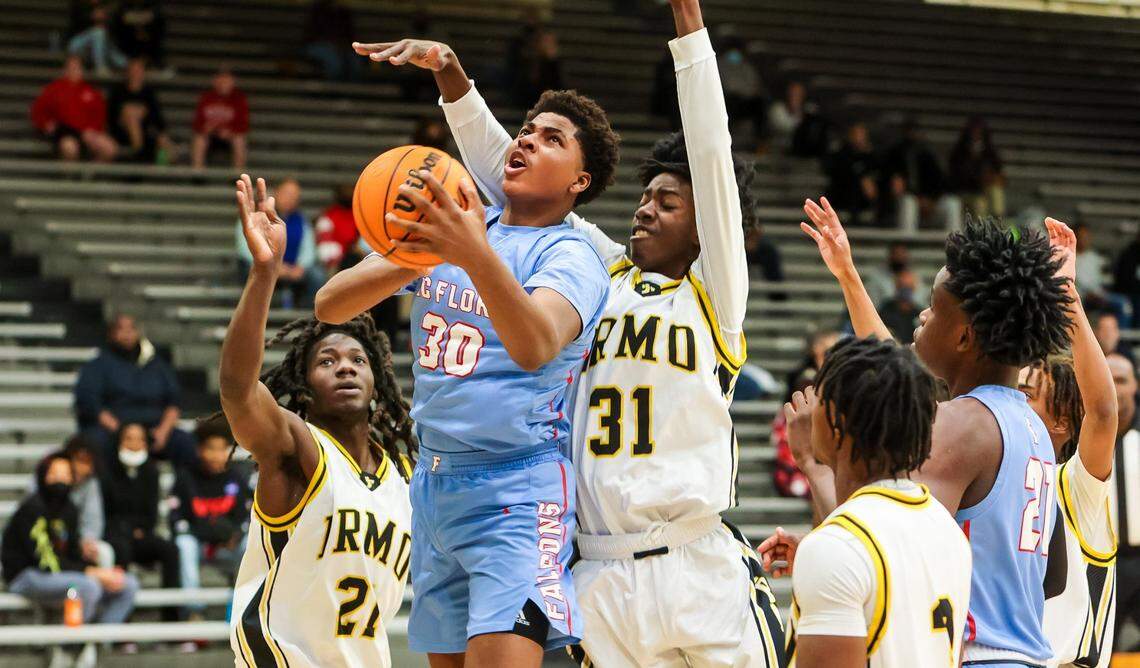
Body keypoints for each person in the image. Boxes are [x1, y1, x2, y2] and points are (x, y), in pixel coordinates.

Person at [428, 2, 786, 664]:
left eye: (668, 203)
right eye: (644, 197)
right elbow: (508, 175)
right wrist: (455, 84)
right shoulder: (594, 268)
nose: (647, 209)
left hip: (694, 558)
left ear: (704, 224)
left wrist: (690, 36)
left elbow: (711, 151)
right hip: (596, 568)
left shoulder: (713, 297)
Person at [321, 35, 618, 666]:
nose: (527, 140)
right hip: (432, 487)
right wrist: (413, 252)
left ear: (579, 181)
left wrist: (467, 248)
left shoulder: (573, 256)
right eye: (527, 130)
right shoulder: (459, 227)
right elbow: (330, 305)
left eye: (552, 139)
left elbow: (536, 343)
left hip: (517, 489)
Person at [793, 201, 1073, 666]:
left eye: (933, 308)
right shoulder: (1025, 422)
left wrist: (813, 464)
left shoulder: (964, 425)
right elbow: (898, 381)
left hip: (978, 656)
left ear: (964, 339)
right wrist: (848, 275)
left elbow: (883, 536)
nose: (921, 317)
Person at [222, 175, 416, 666]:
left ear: (378, 379)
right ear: (306, 384)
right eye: (327, 361)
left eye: (357, 359)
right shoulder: (297, 447)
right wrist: (263, 275)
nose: (346, 366)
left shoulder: (404, 475)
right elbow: (238, 391)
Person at [761, 337, 972, 667]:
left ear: (836, 422)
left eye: (819, 398)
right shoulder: (946, 526)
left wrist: (826, 551)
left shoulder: (838, 547)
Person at [1014, 219, 1118, 668]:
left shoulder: (1075, 485)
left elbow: (1102, 411)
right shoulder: (997, 479)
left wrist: (1067, 295)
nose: (1010, 403)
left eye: (1025, 395)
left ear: (1060, 422)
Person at [3, 453, 138, 633]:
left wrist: (99, 569)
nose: (60, 480)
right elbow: (46, 562)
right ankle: (69, 646)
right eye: (54, 474)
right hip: (27, 576)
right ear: (43, 476)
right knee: (87, 587)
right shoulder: (32, 509)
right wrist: (93, 573)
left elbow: (72, 553)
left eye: (65, 474)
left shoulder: (69, 509)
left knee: (127, 584)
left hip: (61, 573)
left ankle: (95, 642)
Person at [73, 313, 194, 467]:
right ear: (111, 334)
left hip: (154, 429)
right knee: (92, 442)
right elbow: (90, 403)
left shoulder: (156, 365)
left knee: (185, 442)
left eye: (132, 329)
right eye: (121, 329)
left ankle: (184, 489)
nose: (127, 334)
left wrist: (163, 431)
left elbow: (174, 401)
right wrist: (124, 433)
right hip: (114, 429)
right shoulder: (97, 365)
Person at [101, 423, 181, 622]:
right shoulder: (107, 471)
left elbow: (151, 515)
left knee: (170, 550)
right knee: (121, 548)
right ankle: (123, 623)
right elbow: (107, 513)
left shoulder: (151, 472)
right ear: (120, 441)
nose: (134, 443)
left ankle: (171, 620)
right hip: (114, 536)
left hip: (142, 534)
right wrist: (127, 529)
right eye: (129, 438)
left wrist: (137, 529)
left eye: (139, 439)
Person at [170, 421, 249, 619]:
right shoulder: (185, 478)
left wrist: (235, 535)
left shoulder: (236, 478)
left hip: (228, 546)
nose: (216, 455)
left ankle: (241, 609)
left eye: (222, 449)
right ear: (200, 450)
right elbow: (176, 519)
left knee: (250, 544)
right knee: (184, 544)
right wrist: (207, 533)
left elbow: (246, 516)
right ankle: (194, 612)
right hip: (198, 544)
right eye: (211, 449)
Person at [234, 177, 322, 308]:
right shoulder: (254, 216)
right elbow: (244, 250)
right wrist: (271, 266)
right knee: (252, 271)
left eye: (295, 196)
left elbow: (308, 249)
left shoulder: (301, 220)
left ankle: (308, 317)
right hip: (262, 265)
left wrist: (300, 267)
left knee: (317, 275)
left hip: (292, 269)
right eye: (287, 194)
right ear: (276, 192)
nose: (290, 199)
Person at [1108, 352, 1140, 651]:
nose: (1115, 388)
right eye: (1108, 379)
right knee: (1101, 650)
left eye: (1122, 380)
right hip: (1102, 562)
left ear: (1135, 386)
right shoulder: (1078, 435)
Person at [30, 55, 118, 163]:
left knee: (110, 148)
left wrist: (93, 130)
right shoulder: (54, 89)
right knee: (70, 147)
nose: (74, 71)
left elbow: (99, 115)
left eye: (77, 68)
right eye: (71, 68)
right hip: (64, 132)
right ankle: (69, 177)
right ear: (65, 70)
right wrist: (45, 124)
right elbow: (38, 111)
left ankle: (91, 174)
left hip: (87, 132)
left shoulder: (91, 92)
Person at [881, 120, 959, 232]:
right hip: (904, 204)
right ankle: (907, 244)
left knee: (952, 203)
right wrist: (916, 198)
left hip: (929, 203)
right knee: (909, 202)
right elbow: (892, 185)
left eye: (915, 131)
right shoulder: (895, 154)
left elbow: (941, 182)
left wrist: (932, 200)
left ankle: (955, 246)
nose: (912, 135)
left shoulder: (927, 154)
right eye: (909, 131)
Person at [63, 436, 115, 569]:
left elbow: (93, 519)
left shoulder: (91, 484)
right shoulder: (49, 480)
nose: (80, 467)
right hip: (52, 539)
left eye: (86, 461)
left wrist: (87, 541)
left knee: (104, 552)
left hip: (78, 541)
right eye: (78, 460)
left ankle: (106, 587)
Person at [106, 58, 170, 163]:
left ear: (143, 73)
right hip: (121, 133)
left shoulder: (149, 93)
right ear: (128, 72)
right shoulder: (118, 92)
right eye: (133, 70)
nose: (135, 74)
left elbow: (157, 118)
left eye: (138, 70)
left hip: (146, 131)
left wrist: (143, 113)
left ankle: (162, 170)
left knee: (164, 142)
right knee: (131, 115)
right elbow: (111, 117)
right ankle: (139, 154)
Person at [191, 67, 249, 170]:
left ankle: (238, 175)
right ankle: (198, 174)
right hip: (210, 135)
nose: (223, 83)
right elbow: (197, 123)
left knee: (239, 140)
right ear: (215, 81)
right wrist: (207, 128)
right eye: (221, 80)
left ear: (232, 81)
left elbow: (243, 124)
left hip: (230, 136)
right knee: (199, 139)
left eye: (226, 80)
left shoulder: (239, 99)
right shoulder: (206, 97)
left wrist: (230, 131)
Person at [949, 116, 1005, 219]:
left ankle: (999, 220)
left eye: (979, 132)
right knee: (979, 204)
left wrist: (993, 178)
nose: (976, 134)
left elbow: (999, 173)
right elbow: (955, 176)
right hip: (966, 191)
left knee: (996, 191)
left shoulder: (989, 151)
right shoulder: (959, 152)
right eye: (974, 132)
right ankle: (981, 231)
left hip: (984, 190)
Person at [824, 121, 879, 225]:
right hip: (842, 199)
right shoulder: (841, 154)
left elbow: (876, 174)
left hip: (865, 201)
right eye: (856, 134)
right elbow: (837, 174)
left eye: (861, 134)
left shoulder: (872, 156)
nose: (858, 138)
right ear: (850, 136)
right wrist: (861, 177)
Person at [1075, 223, 1130, 326]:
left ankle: (1121, 340)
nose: (1084, 239)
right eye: (1081, 236)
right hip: (1081, 296)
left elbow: (1104, 279)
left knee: (1123, 303)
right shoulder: (1069, 256)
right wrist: (1089, 293)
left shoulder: (1095, 258)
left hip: (1098, 295)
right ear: (1075, 236)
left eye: (1087, 236)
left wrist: (1100, 293)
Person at [302, 0, 359, 81]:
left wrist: (342, 45)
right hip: (319, 46)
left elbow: (350, 35)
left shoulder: (343, 12)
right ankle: (333, 90)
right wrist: (332, 44)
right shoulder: (318, 9)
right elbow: (312, 35)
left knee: (354, 62)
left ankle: (350, 90)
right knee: (334, 63)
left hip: (342, 47)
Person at [862, 242, 929, 309]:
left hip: (911, 315)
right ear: (890, 256)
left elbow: (921, 303)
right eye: (896, 254)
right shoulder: (876, 277)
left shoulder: (914, 277)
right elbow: (873, 304)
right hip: (884, 315)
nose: (899, 257)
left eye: (902, 254)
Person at [67, 1, 125, 75]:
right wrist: (92, 17)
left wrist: (104, 19)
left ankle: (128, 66)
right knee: (98, 33)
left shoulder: (105, 7)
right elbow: (76, 24)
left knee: (104, 38)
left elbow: (113, 30)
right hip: (76, 44)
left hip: (99, 46)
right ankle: (100, 67)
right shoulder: (80, 5)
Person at [315, 184, 362, 273]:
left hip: (355, 258)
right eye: (345, 194)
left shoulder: (358, 215)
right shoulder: (329, 215)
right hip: (335, 261)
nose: (348, 195)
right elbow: (324, 243)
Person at [110, 0, 166, 70]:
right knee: (135, 64)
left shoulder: (154, 9)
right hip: (127, 47)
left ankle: (151, 62)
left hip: (147, 46)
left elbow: (158, 25)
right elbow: (119, 24)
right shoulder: (123, 9)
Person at [768, 80, 806, 150]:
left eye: (798, 94)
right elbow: (786, 129)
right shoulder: (777, 109)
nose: (795, 96)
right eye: (792, 93)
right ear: (787, 94)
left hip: (800, 150)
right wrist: (795, 110)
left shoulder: (807, 110)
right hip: (777, 149)